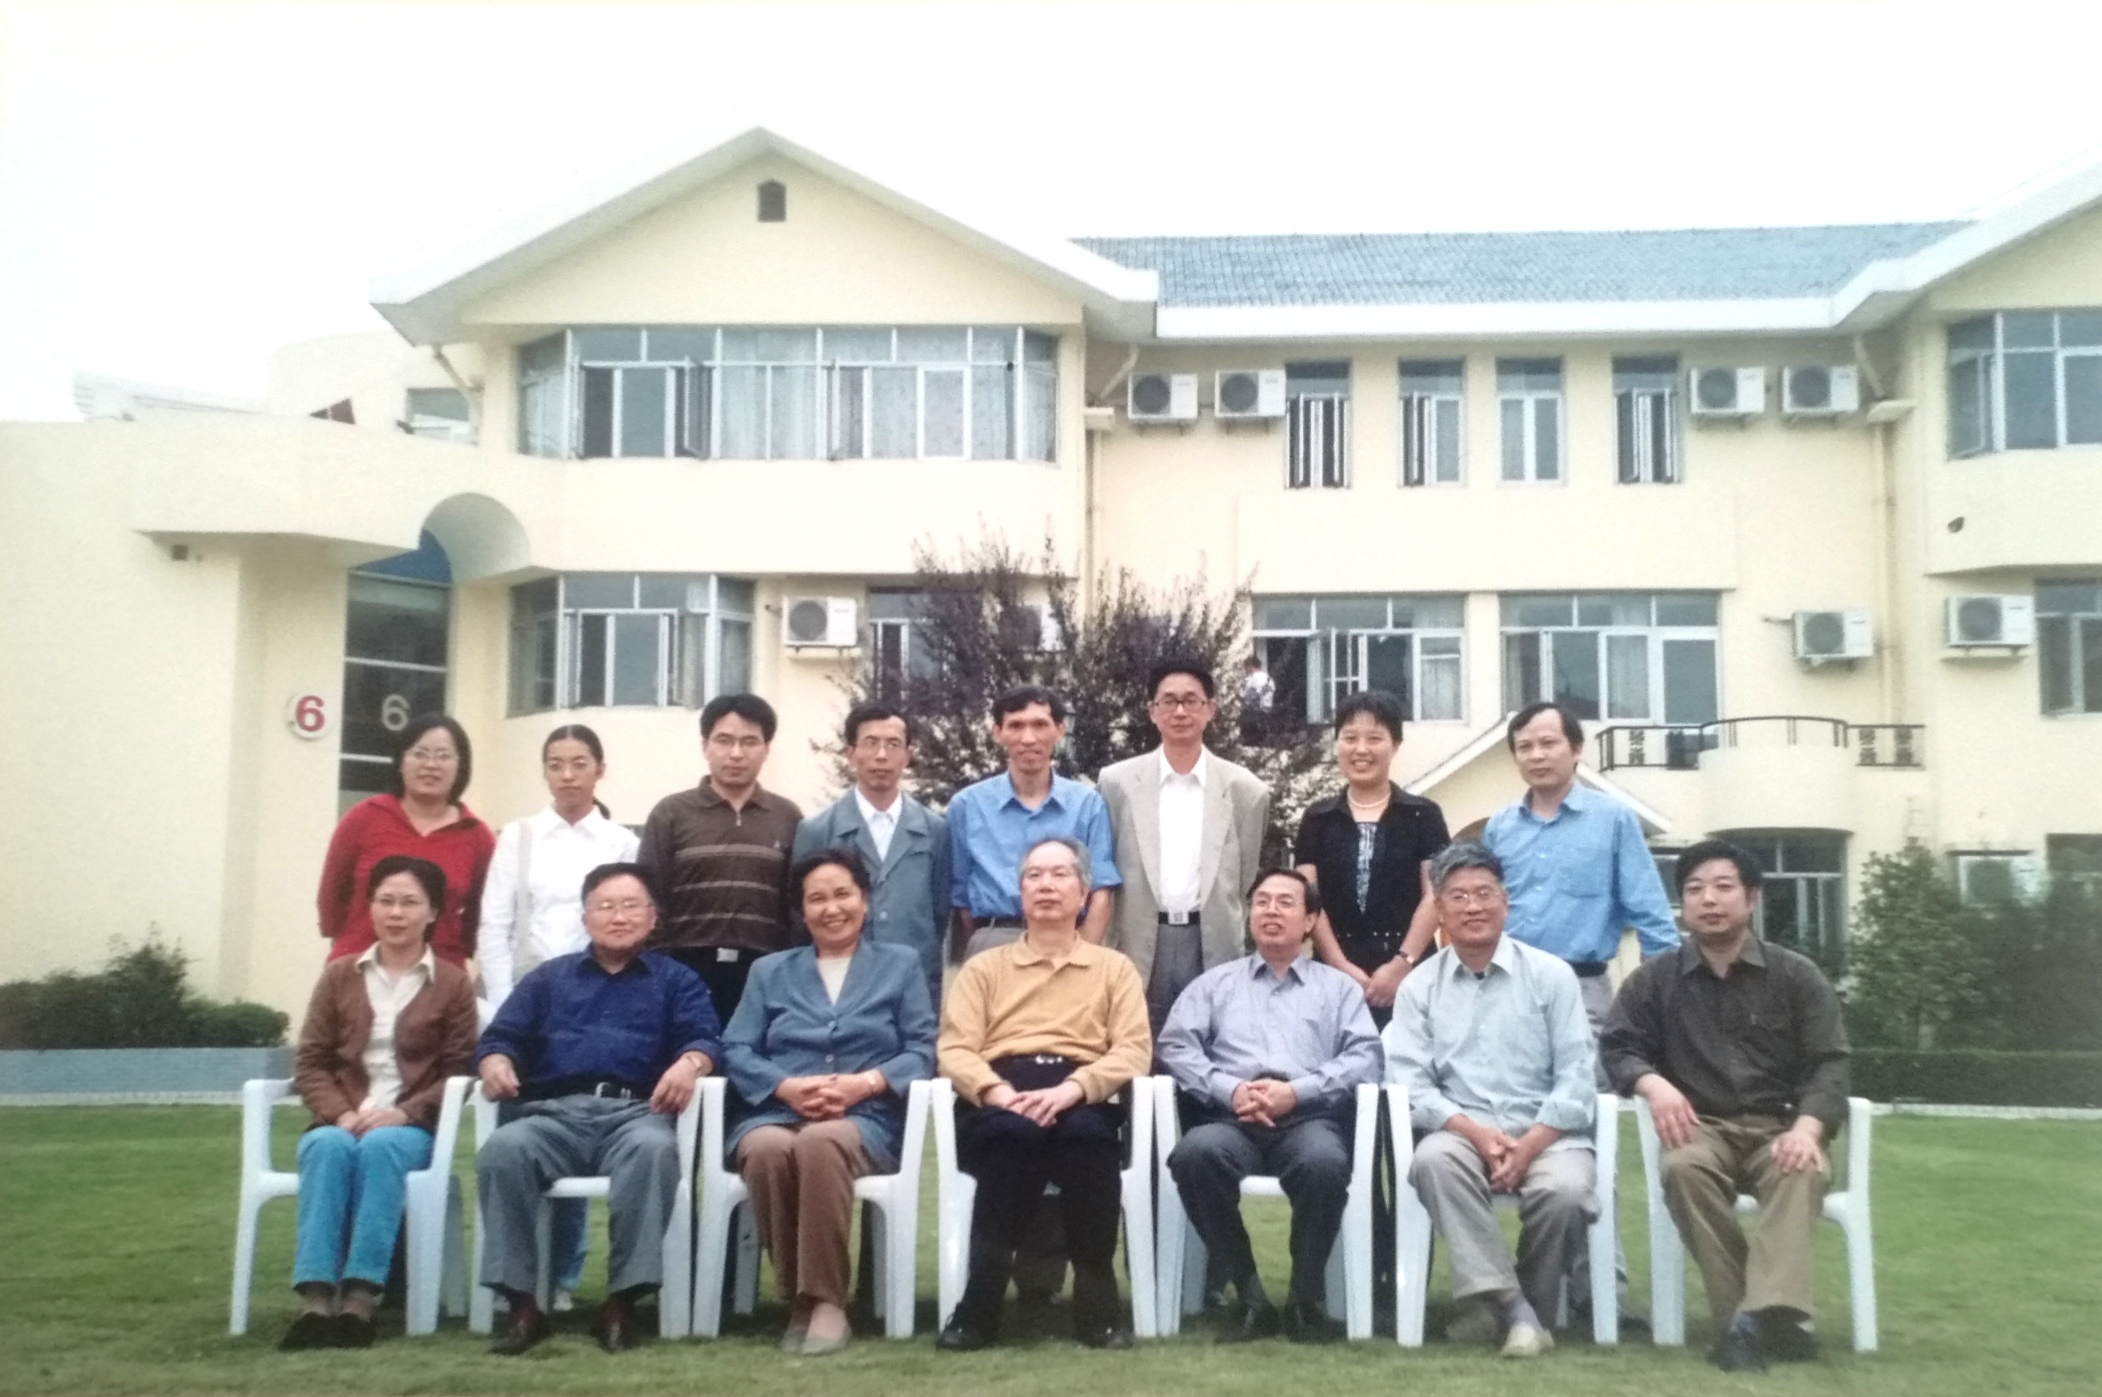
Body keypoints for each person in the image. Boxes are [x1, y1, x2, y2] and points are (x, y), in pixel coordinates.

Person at [1600, 839, 1851, 1373]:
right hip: (1701, 1127)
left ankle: (1745, 1323)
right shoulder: (1654, 981)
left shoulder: (1796, 976)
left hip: (1781, 1124)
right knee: (1683, 1169)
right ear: (1683, 904)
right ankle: (1766, 1318)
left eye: (1722, 887)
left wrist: (1807, 1129)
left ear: (1751, 897)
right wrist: (1653, 1085)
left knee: (1801, 1169)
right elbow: (1618, 1048)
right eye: (1694, 889)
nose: (1708, 900)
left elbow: (1830, 1062)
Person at [475, 864, 722, 1356]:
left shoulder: (677, 980)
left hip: (637, 1114)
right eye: (606, 906)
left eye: (631, 906)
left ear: (652, 917)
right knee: (503, 1150)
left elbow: (706, 1038)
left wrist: (691, 1063)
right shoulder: (547, 979)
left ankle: (620, 1305)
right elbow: (501, 1037)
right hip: (552, 1115)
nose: (619, 916)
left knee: (654, 1152)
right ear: (585, 917)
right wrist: (495, 1060)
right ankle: (522, 1307)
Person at [1482, 700, 1675, 1324]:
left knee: (1589, 1134)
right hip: (1508, 994)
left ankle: (1600, 1293)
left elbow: (1653, 919)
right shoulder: (1500, 829)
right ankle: (1514, 1286)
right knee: (1512, 1126)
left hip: (1586, 990)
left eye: (1548, 743)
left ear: (1576, 749)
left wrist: (1661, 1008)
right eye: (1525, 746)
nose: (1537, 755)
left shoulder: (1612, 821)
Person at [935, 837, 1151, 1351]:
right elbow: (955, 1049)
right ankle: (979, 1305)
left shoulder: (1114, 969)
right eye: (1034, 875)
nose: (1046, 885)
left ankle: (1098, 1306)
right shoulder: (984, 968)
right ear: (1020, 892)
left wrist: (1074, 1089)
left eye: (1059, 874)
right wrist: (1000, 1093)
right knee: (1013, 1137)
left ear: (1084, 893)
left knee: (1087, 1141)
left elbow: (1133, 1049)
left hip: (1080, 1092)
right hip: (1002, 1096)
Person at [723, 849, 938, 1356]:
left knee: (820, 1142)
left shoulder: (900, 964)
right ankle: (804, 1298)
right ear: (802, 911)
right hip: (777, 1110)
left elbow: (922, 1049)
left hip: (864, 1118)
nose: (832, 908)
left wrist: (866, 1083)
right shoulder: (770, 971)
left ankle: (825, 1304)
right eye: (817, 898)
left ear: (865, 899)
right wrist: (784, 1087)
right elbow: (735, 1047)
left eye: (843, 894)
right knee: (766, 1149)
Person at [1387, 841, 1597, 1360]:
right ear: (1439, 910)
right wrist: (1477, 1134)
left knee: (1567, 1192)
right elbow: (1413, 1085)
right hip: (1463, 1133)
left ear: (1506, 902)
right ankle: (1519, 1311)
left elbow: (1577, 1076)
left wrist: (1528, 1146)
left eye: (1484, 893)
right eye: (1458, 896)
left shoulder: (1551, 975)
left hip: (1546, 1133)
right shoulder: (1418, 988)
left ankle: (1506, 1309)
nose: (1473, 906)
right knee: (1432, 1161)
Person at [1157, 869, 1380, 1343]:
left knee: (1324, 1163)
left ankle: (1304, 1299)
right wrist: (1230, 1089)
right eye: (1262, 902)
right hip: (1233, 1117)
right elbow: (1175, 1047)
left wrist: (1297, 1092)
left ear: (1310, 920)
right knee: (1195, 1155)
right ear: (1249, 914)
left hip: (1308, 1117)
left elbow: (1365, 1057)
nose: (1271, 911)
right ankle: (1249, 1294)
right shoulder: (1214, 984)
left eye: (1285, 903)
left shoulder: (1338, 989)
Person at [281, 855, 478, 1350]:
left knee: (381, 1147)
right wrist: (341, 1113)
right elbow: (311, 1062)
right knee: (326, 1147)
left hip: (408, 1127)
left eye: (410, 902)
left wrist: (404, 1113)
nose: (396, 913)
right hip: (341, 1119)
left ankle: (360, 1301)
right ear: (369, 908)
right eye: (385, 901)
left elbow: (459, 1071)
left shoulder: (453, 983)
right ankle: (315, 1301)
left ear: (433, 912)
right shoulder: (339, 976)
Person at [476, 723, 639, 1312]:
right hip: (527, 1001)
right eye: (555, 764)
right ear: (545, 771)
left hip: (598, 1000)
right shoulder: (518, 838)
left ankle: (563, 1278)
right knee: (521, 1135)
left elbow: (628, 922)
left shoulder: (621, 842)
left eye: (579, 763)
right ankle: (518, 1280)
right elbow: (495, 925)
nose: (567, 775)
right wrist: (506, 1009)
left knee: (579, 1122)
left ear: (600, 769)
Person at [1100, 660, 1272, 1036]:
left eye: (1191, 701)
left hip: (1210, 940)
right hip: (1139, 939)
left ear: (1211, 709)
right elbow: (1108, 867)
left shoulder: (1246, 790)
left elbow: (1242, 879)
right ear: (1152, 711)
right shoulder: (1117, 783)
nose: (1180, 711)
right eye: (1169, 701)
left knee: (1213, 1044)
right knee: (1136, 1045)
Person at [638, 694, 802, 1025]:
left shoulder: (788, 817)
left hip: (765, 973)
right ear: (705, 746)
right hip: (684, 970)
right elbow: (648, 897)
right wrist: (664, 967)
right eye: (724, 740)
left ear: (767, 749)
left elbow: (796, 906)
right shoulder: (671, 814)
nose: (736, 753)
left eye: (749, 742)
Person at [1293, 689, 1448, 1028]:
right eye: (1350, 738)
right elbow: (1308, 899)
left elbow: (1436, 895)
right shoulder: (1317, 818)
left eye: (1375, 738)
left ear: (1395, 746)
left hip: (1412, 975)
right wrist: (1339, 965)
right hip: (1332, 974)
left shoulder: (1424, 815)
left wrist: (1401, 964)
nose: (1361, 749)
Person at [791, 702, 950, 1008]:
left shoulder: (934, 829)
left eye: (893, 744)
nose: (881, 755)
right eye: (870, 743)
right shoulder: (818, 829)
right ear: (850, 753)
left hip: (914, 982)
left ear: (909, 754)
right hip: (839, 982)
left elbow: (940, 912)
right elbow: (801, 918)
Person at [949, 685, 1121, 956]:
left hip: (1068, 940)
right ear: (998, 732)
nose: (1028, 738)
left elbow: (1101, 894)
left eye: (1040, 725)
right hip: (994, 941)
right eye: (1016, 726)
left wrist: (1081, 957)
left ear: (1060, 730)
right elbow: (961, 897)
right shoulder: (967, 806)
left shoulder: (1087, 805)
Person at [318, 715, 494, 966]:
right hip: (359, 965)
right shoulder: (364, 817)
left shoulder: (476, 835)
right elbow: (332, 893)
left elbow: (483, 912)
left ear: (461, 766)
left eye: (443, 756)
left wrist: (459, 950)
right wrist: (345, 946)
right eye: (419, 754)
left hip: (439, 972)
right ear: (400, 761)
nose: (430, 765)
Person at [1238, 656, 1276, 746]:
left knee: (1249, 744)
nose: (1245, 670)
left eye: (1245, 667)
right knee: (1262, 742)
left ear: (1250, 666)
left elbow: (1244, 696)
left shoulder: (1250, 680)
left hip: (1251, 715)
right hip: (1266, 714)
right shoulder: (1269, 679)